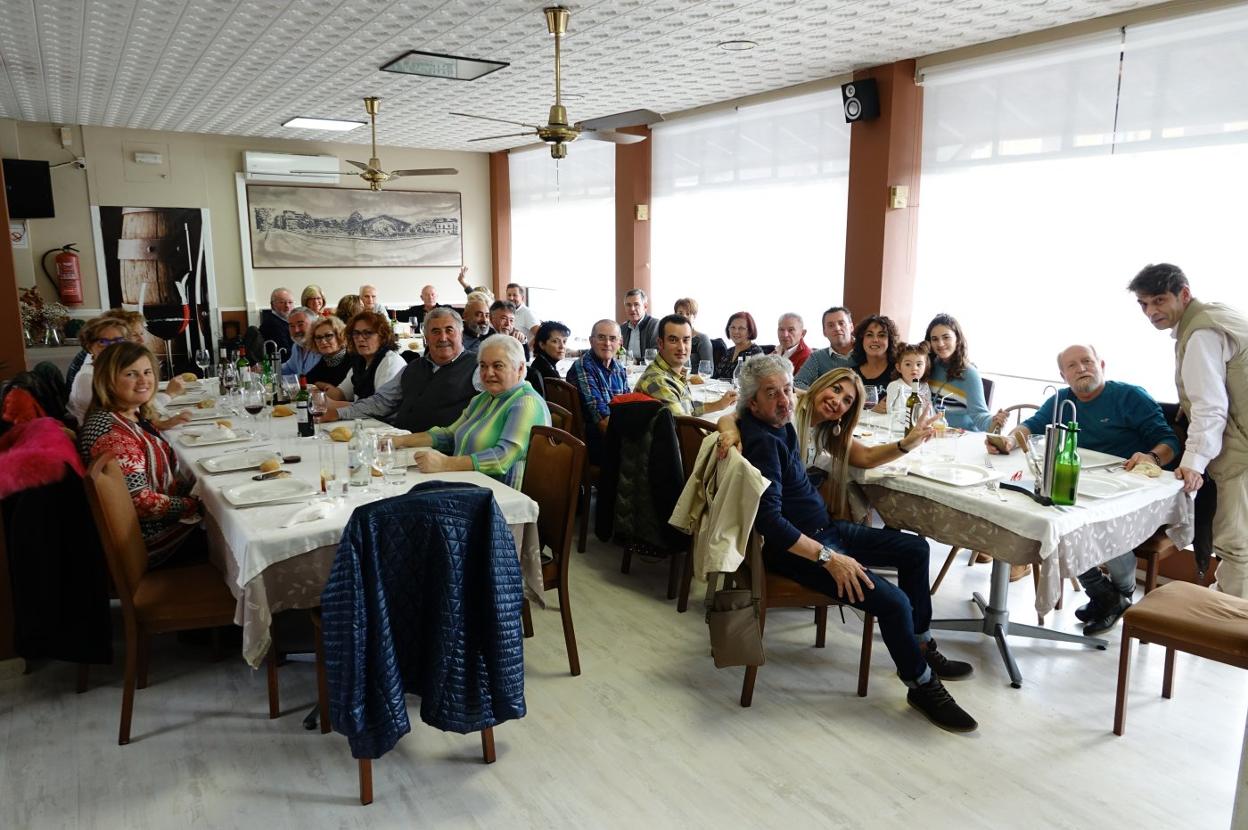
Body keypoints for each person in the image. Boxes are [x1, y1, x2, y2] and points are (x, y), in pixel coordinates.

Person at [730, 356, 977, 732]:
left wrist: (907, 442)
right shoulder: (764, 441)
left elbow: (858, 453)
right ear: (753, 403)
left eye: (787, 390)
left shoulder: (782, 423)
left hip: (827, 530)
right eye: (771, 393)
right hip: (801, 551)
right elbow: (771, 525)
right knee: (894, 603)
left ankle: (921, 645)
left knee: (916, 550)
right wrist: (830, 559)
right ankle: (922, 684)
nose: (784, 399)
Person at [988, 343, 1182, 632]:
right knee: (1054, 523)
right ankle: (1106, 596)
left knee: (1100, 526)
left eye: (1087, 361)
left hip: (1126, 492)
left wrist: (1152, 457)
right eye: (1072, 365)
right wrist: (1009, 441)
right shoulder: (1061, 400)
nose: (1081, 369)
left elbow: (1170, 441)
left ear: (1101, 365)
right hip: (1081, 487)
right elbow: (1031, 426)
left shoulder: (1129, 396)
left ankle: (1121, 593)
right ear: (1063, 375)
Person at [1129, 263, 1248, 599]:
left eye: (1159, 301)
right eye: (1143, 304)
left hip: (1241, 452)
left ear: (1184, 294)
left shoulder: (1200, 334)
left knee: (1236, 545)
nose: (1151, 312)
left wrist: (1194, 462)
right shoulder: (1218, 315)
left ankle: (1227, 623)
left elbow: (1211, 406)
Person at [77, 342, 202, 567]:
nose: (144, 381)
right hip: (151, 542)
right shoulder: (114, 435)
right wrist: (194, 505)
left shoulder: (128, 414)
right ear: (107, 380)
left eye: (147, 372)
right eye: (131, 374)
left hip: (156, 528)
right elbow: (141, 502)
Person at [393, 335, 550, 489]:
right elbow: (449, 435)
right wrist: (398, 441)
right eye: (483, 366)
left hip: (496, 495)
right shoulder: (483, 398)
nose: (488, 373)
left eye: (498, 366)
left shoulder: (526, 403)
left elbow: (503, 457)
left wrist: (445, 463)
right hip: (464, 484)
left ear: (520, 368)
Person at [321, 307, 476, 433]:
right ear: (426, 338)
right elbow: (381, 402)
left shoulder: (477, 367)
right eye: (435, 331)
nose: (442, 337)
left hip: (443, 450)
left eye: (449, 330)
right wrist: (339, 413)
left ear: (461, 334)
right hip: (402, 441)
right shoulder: (413, 367)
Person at [634, 314, 737, 417]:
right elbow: (684, 424)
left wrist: (719, 404)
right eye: (673, 340)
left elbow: (686, 406)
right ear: (660, 343)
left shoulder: (670, 372)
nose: (681, 348)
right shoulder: (659, 382)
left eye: (686, 340)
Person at [567, 320, 630, 463]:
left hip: (614, 435)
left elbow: (628, 406)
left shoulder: (619, 368)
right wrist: (632, 443)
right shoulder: (583, 367)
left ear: (620, 342)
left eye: (612, 338)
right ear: (591, 341)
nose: (607, 343)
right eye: (601, 337)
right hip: (596, 442)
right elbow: (601, 420)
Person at [925, 313, 992, 431]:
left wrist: (995, 422)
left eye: (946, 337)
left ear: (957, 339)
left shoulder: (969, 373)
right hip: (934, 434)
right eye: (934, 339)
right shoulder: (929, 366)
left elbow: (980, 415)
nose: (940, 344)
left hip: (961, 436)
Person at [323, 311, 406, 403]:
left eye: (368, 333)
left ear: (382, 337)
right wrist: (317, 395)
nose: (360, 339)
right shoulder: (361, 361)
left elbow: (380, 405)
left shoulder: (390, 362)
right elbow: (341, 393)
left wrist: (333, 406)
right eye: (356, 333)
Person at [69, 317, 140, 424]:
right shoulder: (88, 378)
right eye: (103, 342)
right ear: (89, 347)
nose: (112, 347)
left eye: (119, 340)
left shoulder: (117, 370)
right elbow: (118, 418)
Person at [794, 306, 856, 389]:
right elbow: (797, 383)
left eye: (841, 323)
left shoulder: (865, 351)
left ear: (851, 327)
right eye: (831, 325)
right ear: (824, 332)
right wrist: (822, 394)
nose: (837, 328)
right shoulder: (817, 357)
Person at [303, 315, 353, 389]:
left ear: (340, 336)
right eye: (318, 337)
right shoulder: (325, 360)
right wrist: (318, 384)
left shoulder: (354, 360)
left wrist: (320, 385)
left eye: (328, 336)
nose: (323, 342)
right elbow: (305, 382)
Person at [850, 314, 899, 390]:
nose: (875, 340)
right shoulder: (851, 374)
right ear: (861, 340)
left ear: (890, 341)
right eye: (869, 335)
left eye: (881, 335)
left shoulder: (899, 370)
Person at [883, 342, 932, 418]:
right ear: (899, 367)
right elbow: (890, 411)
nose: (914, 368)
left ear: (925, 367)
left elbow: (930, 410)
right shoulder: (895, 386)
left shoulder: (924, 386)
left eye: (919, 364)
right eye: (908, 364)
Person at [713, 312, 763, 380]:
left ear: (750, 331)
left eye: (741, 328)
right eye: (733, 327)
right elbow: (716, 377)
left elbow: (758, 382)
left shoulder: (756, 353)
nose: (736, 331)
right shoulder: (729, 351)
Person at [620, 288, 660, 363]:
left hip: (648, 369)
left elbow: (656, 353)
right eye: (628, 305)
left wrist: (635, 361)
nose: (632, 309)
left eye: (636, 304)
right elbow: (618, 353)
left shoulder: (655, 325)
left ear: (645, 307)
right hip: (626, 369)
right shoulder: (622, 328)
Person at [673, 298, 713, 371]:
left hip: (693, 378)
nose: (684, 317)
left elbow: (709, 370)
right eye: (680, 313)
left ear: (694, 317)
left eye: (688, 314)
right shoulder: (670, 338)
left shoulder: (702, 339)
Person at [280, 306, 321, 377]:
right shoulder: (296, 346)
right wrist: (267, 369)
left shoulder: (322, 347)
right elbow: (289, 368)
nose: (296, 330)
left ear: (314, 325)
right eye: (292, 326)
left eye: (300, 324)